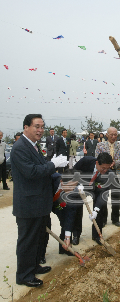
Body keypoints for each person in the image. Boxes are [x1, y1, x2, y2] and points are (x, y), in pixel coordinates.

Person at [11, 114, 68, 287]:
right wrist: (53, 164)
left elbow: (42, 169)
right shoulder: (20, 148)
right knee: (27, 240)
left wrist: (53, 169)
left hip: (39, 202)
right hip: (29, 203)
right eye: (36, 126)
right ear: (25, 127)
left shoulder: (34, 146)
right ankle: (24, 275)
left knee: (37, 238)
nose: (40, 130)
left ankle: (34, 266)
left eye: (42, 126)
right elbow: (32, 172)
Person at [72, 152, 114, 244]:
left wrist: (96, 210)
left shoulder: (108, 174)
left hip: (96, 188)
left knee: (99, 209)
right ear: (97, 163)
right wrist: (77, 184)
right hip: (82, 186)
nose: (105, 171)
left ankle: (97, 235)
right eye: (103, 168)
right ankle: (76, 235)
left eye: (107, 168)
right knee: (77, 207)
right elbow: (73, 171)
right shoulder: (86, 161)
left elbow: (103, 194)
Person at [95, 127, 120, 227]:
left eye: (115, 135)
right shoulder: (100, 145)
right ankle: (103, 219)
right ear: (107, 135)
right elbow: (97, 158)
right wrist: (106, 165)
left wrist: (115, 163)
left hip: (116, 173)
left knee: (116, 197)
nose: (113, 137)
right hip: (104, 174)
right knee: (103, 197)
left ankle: (115, 219)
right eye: (111, 135)